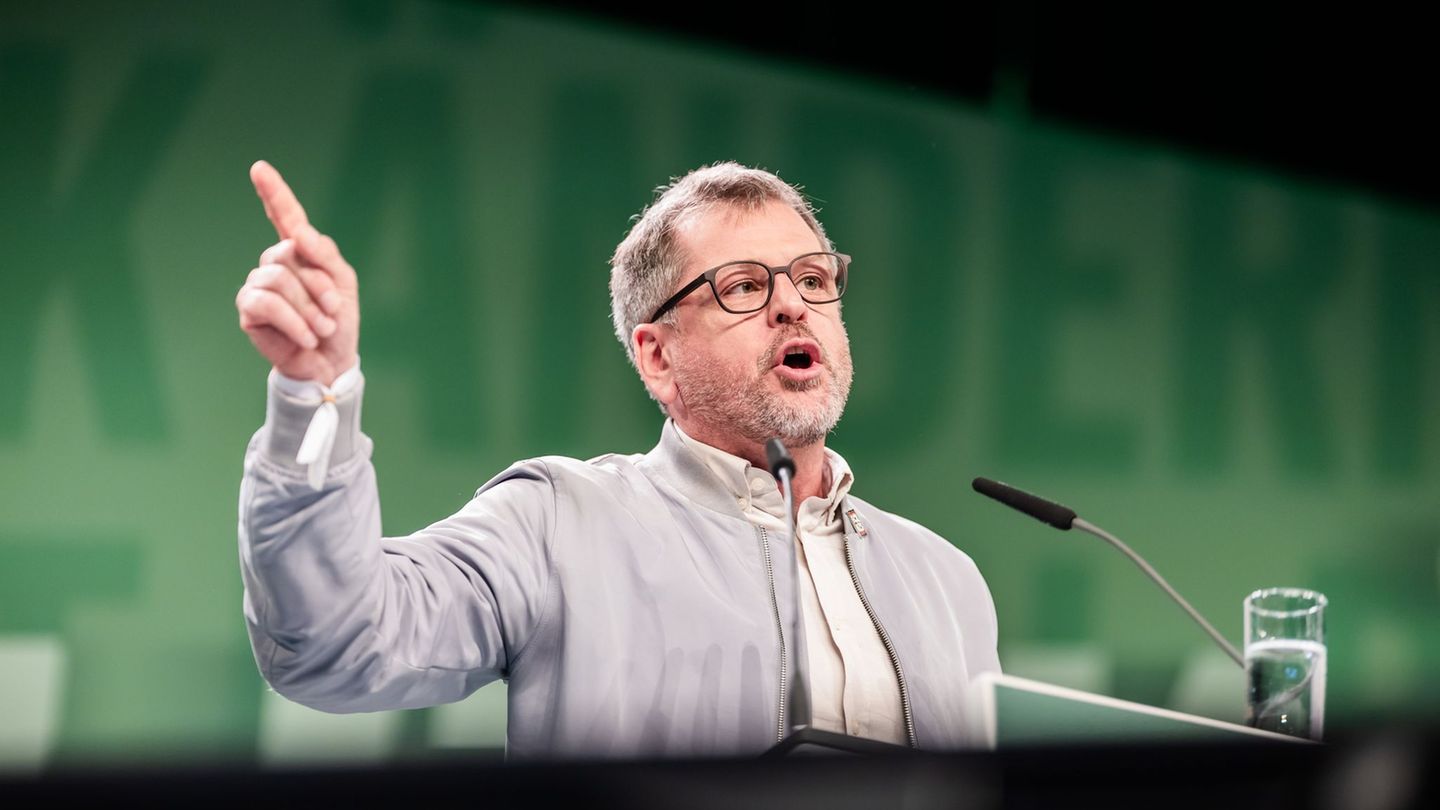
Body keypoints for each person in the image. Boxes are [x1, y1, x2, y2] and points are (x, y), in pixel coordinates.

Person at [235, 160, 1000, 759]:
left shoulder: (947, 580)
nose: (793, 304)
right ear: (657, 357)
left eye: (812, 278)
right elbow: (335, 641)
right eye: (742, 287)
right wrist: (317, 391)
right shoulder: (558, 522)